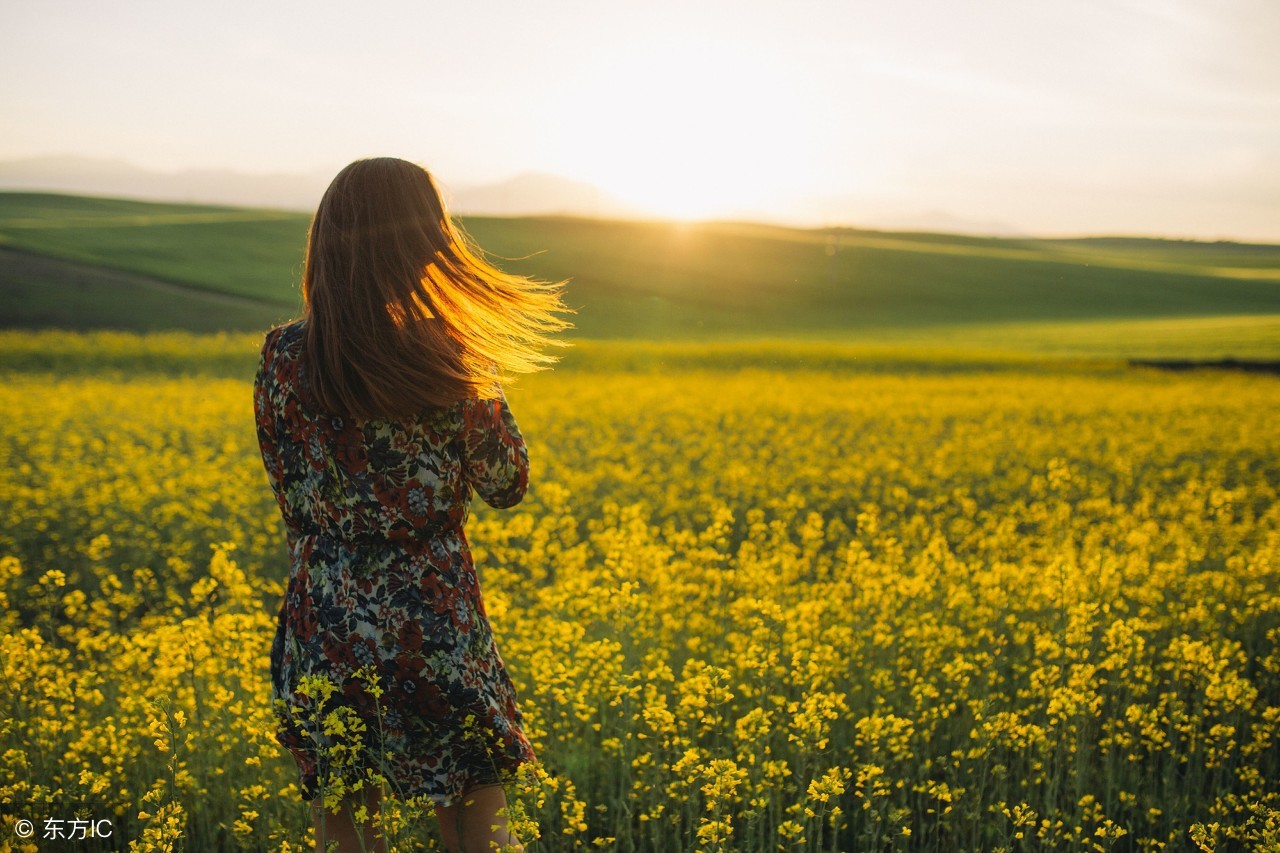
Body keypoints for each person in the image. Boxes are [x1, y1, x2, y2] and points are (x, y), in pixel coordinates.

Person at [253, 157, 570, 852]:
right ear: (426, 243)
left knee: (346, 827)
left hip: (326, 613)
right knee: (473, 828)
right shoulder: (449, 356)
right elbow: (506, 483)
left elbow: (288, 487)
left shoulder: (282, 356)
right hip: (431, 619)